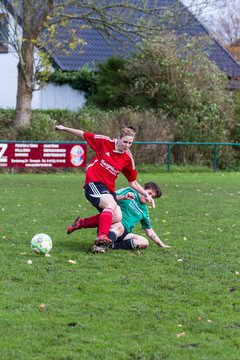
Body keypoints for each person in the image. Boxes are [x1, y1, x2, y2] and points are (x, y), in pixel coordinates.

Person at [55, 124, 154, 247]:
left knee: (117, 216)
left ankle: (81, 223)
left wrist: (146, 195)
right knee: (111, 205)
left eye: (130, 143)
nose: (127, 146)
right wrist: (65, 129)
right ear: (119, 138)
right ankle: (102, 236)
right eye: (125, 142)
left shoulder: (127, 158)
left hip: (109, 189)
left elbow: (132, 182)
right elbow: (84, 134)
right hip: (93, 183)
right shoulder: (104, 141)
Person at [92, 181, 170, 253]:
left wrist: (162, 245)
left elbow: (149, 230)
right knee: (119, 226)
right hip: (111, 226)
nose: (148, 197)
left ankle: (111, 246)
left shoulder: (144, 211)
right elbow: (111, 197)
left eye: (152, 197)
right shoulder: (130, 191)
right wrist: (124, 197)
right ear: (142, 188)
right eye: (149, 193)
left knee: (144, 242)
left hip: (124, 233)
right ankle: (99, 247)